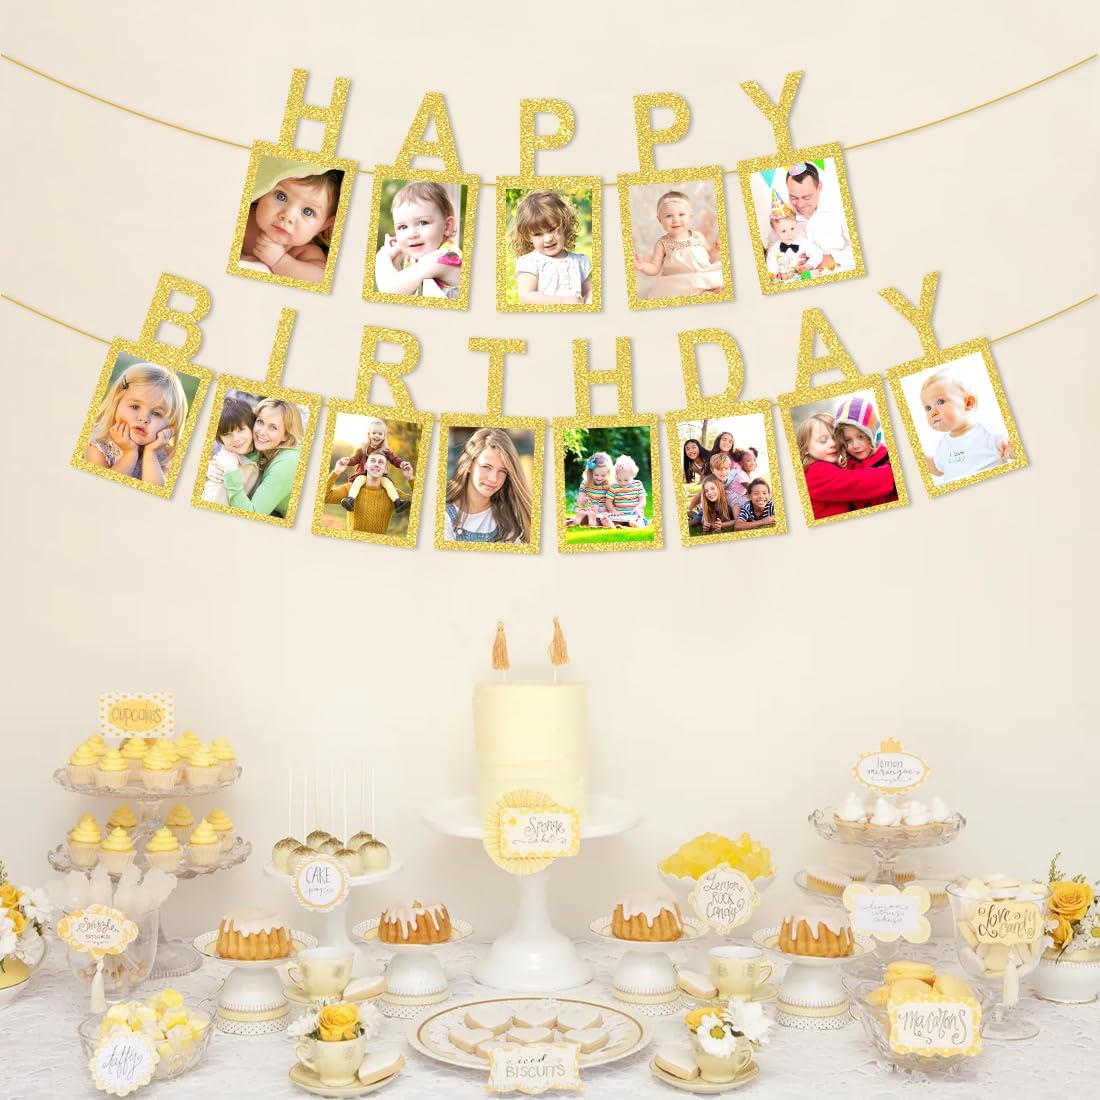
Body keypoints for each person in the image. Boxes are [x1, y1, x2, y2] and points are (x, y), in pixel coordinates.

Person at [85, 362, 188, 486]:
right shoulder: (99, 449)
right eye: (135, 407)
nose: (143, 419)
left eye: (156, 413)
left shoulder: (167, 455)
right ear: (116, 403)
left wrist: (150, 453)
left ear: (170, 425)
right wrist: (130, 453)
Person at [240, 160, 342, 282]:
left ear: (323, 225)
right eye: (281, 196)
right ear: (262, 192)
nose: (288, 216)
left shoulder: (306, 252)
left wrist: (280, 261)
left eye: (308, 211)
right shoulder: (243, 219)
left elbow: (320, 279)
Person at [205, 397, 305, 518]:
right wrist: (212, 467)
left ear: (286, 435)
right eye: (260, 422)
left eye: (273, 427)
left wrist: (231, 471)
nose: (262, 432)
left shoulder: (287, 464)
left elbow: (252, 515)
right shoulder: (266, 448)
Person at [919, 368, 1014, 482]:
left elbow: (1017, 452)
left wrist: (1012, 447)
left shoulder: (989, 433)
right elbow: (936, 468)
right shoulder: (943, 444)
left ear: (968, 403)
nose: (933, 413)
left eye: (940, 402)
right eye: (928, 408)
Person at [796, 413, 896, 520]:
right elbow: (862, 483)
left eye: (835, 438)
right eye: (823, 441)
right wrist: (895, 469)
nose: (833, 444)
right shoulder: (815, 473)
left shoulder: (835, 466)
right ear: (805, 449)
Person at [443, 427, 532, 544]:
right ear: (469, 465)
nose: (493, 479)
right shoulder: (444, 517)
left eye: (503, 471)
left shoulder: (513, 518)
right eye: (486, 467)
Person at [374, 181, 462, 298]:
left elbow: (390, 292)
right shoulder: (415, 259)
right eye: (403, 227)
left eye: (423, 222)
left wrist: (382, 256)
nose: (412, 234)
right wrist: (395, 265)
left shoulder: (445, 258)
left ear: (447, 226)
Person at [633, 190, 723, 297]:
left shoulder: (698, 237)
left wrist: (715, 250)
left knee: (720, 275)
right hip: (680, 284)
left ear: (690, 216)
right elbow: (654, 268)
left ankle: (711, 291)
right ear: (660, 219)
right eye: (669, 216)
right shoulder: (662, 244)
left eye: (681, 214)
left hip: (701, 277)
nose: (676, 219)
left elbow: (710, 259)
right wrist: (642, 266)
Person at [510, 190, 592, 305]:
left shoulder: (577, 262)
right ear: (528, 237)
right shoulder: (531, 262)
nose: (548, 239)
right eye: (538, 234)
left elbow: (589, 291)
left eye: (552, 229)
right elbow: (526, 297)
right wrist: (563, 301)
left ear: (564, 225)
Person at [833, 396, 898, 508]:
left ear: (873, 434)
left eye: (861, 437)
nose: (855, 445)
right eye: (848, 440)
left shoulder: (890, 460)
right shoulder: (845, 466)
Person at [338, 419, 413, 514]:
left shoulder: (385, 451)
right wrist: (348, 461)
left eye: (380, 434)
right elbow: (355, 459)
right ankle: (350, 499)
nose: (377, 435)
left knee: (388, 483)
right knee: (358, 480)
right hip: (363, 474)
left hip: (380, 476)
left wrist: (401, 463)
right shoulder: (362, 449)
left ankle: (398, 502)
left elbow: (394, 459)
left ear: (384, 436)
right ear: (369, 435)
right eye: (374, 433)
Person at [324, 452, 407, 535]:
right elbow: (324, 497)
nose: (376, 464)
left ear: (385, 469)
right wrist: (336, 471)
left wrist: (411, 478)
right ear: (366, 466)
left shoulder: (394, 494)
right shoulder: (350, 489)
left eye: (380, 462)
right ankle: (350, 500)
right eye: (373, 461)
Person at [201, 397, 260, 504]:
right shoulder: (221, 468)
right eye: (227, 434)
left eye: (241, 430)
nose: (236, 439)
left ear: (252, 426)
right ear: (220, 439)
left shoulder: (262, 449)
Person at [765, 190, 822, 281]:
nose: (789, 234)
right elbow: (771, 267)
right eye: (783, 231)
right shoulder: (774, 251)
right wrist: (774, 275)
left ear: (796, 225)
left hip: (802, 277)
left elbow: (817, 253)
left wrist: (808, 265)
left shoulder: (802, 242)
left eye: (792, 229)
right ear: (775, 232)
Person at [569, 451, 613, 527]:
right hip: (589, 510)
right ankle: (588, 520)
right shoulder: (585, 483)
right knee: (585, 513)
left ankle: (588, 520)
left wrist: (599, 508)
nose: (599, 478)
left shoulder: (609, 485)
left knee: (604, 518)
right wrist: (583, 503)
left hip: (603, 511)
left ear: (608, 473)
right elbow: (579, 502)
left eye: (603, 475)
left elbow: (611, 504)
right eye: (596, 475)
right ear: (590, 472)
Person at [604, 455, 648, 527]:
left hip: (635, 514)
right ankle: (612, 525)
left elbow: (643, 500)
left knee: (640, 520)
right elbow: (608, 501)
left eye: (626, 480)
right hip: (620, 515)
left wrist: (638, 507)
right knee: (615, 521)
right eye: (619, 480)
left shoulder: (638, 484)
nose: (623, 483)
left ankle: (636, 524)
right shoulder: (614, 486)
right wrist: (613, 511)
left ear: (633, 475)